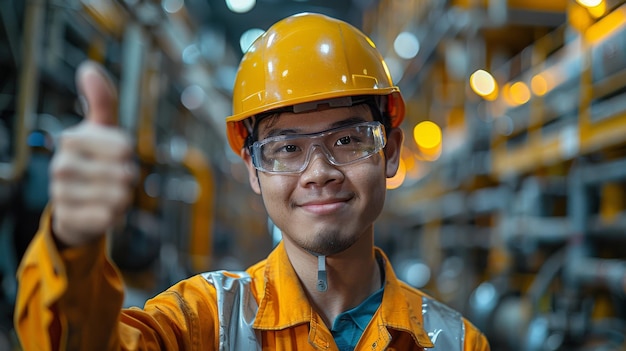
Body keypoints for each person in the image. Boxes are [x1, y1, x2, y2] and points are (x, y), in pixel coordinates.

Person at [14, 13, 490, 351]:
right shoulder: (202, 323)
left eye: (347, 140)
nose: (319, 172)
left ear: (389, 151)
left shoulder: (455, 343)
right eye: (287, 149)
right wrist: (72, 249)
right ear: (252, 172)